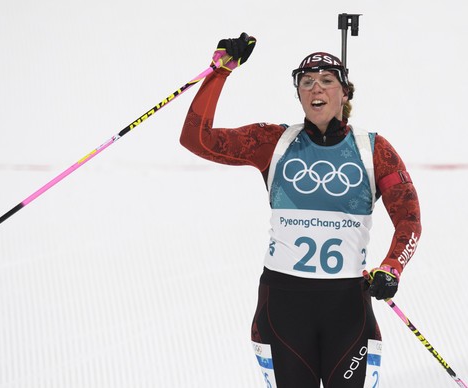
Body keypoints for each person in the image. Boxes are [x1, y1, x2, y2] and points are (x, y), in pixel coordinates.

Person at [179, 33, 422, 387]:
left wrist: (392, 268)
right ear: (298, 94)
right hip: (283, 307)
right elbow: (196, 139)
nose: (315, 89)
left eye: (326, 81)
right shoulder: (273, 142)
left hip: (347, 308)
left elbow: (409, 220)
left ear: (345, 93)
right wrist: (220, 73)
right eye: (306, 82)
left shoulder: (374, 150)